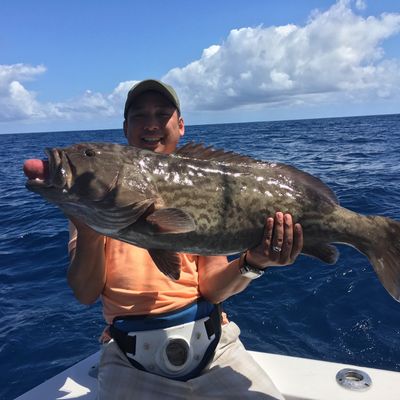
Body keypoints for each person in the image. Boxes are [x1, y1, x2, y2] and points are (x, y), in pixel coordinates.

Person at [67, 79, 303, 400]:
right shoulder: (95, 197)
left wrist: (254, 262)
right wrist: (90, 230)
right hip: (129, 357)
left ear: (180, 126)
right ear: (125, 128)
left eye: (162, 114)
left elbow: (212, 288)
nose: (151, 124)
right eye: (139, 115)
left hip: (213, 345)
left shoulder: (203, 186)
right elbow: (85, 292)